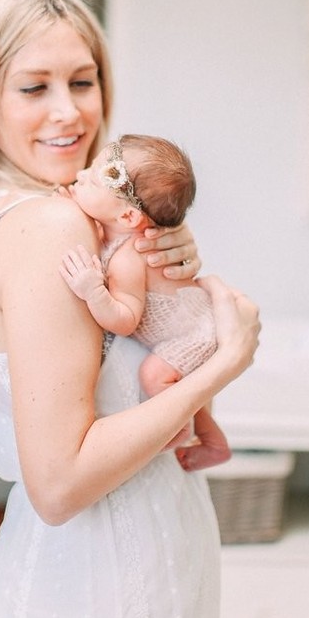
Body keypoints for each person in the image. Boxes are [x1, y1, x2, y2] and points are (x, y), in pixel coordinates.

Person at [0, 0, 261, 618]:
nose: (70, 114)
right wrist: (227, 360)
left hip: (125, 547)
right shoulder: (52, 226)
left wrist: (164, 264)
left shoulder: (23, 217)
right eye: (33, 87)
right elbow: (59, 486)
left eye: (82, 82)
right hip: (99, 569)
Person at [59, 133, 232, 472]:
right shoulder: (118, 231)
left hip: (192, 333)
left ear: (126, 218)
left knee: (156, 377)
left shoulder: (128, 257)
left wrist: (94, 291)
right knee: (189, 392)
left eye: (91, 180)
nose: (79, 175)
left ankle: (179, 428)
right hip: (192, 317)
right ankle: (214, 443)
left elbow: (125, 320)